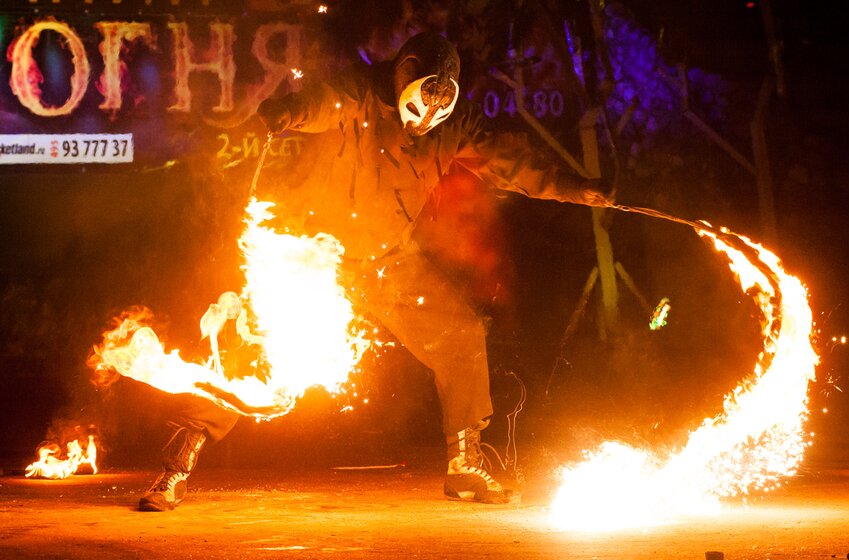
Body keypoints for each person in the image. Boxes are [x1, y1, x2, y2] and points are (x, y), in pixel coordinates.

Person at [139, 32, 612, 512]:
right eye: (422, 101)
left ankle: (464, 466)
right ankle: (177, 467)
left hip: (388, 260)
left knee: (461, 334)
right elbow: (322, 102)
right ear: (405, 73)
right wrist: (286, 112)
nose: (424, 121)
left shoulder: (453, 129)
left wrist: (575, 187)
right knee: (252, 350)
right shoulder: (360, 93)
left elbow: (514, 163)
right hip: (316, 250)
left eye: (438, 108)